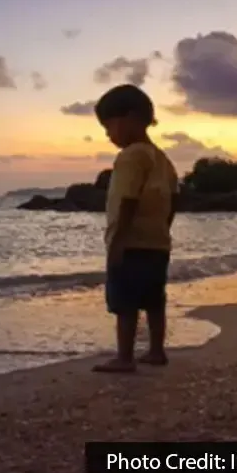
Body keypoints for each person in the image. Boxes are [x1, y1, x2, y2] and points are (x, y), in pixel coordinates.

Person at [92, 84, 179, 373]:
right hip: (157, 243)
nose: (109, 135)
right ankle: (156, 351)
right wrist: (164, 229)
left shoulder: (130, 156)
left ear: (129, 118)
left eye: (109, 126)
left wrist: (117, 242)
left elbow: (128, 200)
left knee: (125, 302)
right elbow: (174, 199)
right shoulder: (163, 159)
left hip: (130, 242)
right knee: (154, 299)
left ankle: (124, 357)